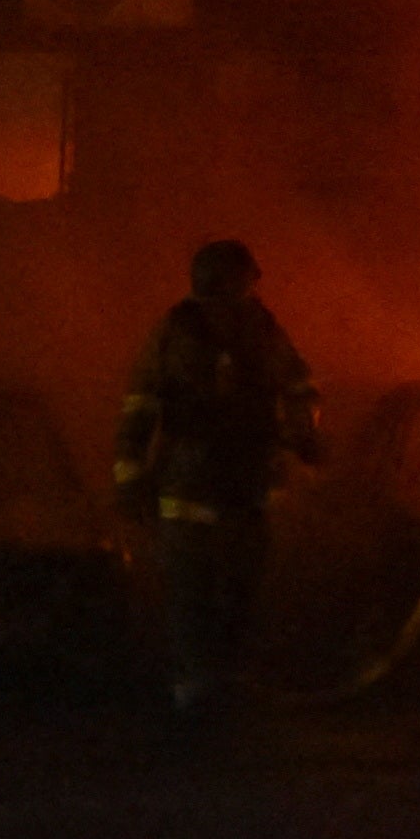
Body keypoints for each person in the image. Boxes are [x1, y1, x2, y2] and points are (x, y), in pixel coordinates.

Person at [112, 238, 321, 717]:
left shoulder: (252, 327)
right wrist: (129, 476)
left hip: (229, 484)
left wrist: (301, 432)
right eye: (248, 278)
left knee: (228, 589)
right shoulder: (189, 330)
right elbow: (142, 406)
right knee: (200, 588)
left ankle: (215, 680)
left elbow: (297, 386)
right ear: (234, 278)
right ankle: (203, 681)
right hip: (207, 483)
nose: (252, 288)